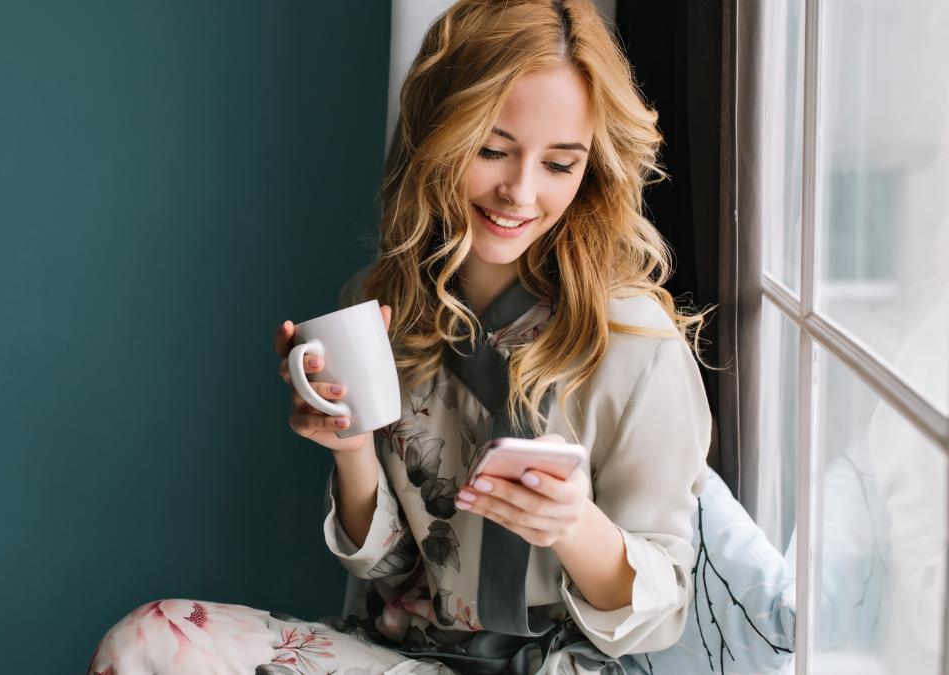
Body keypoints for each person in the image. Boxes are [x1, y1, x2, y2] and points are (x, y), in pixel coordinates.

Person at [88, 0, 712, 673]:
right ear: (438, 132)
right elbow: (393, 569)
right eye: (492, 150)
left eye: (560, 164)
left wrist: (574, 524)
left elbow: (661, 612)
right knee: (146, 642)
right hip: (401, 659)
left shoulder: (635, 343)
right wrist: (351, 449)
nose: (520, 191)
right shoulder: (377, 308)